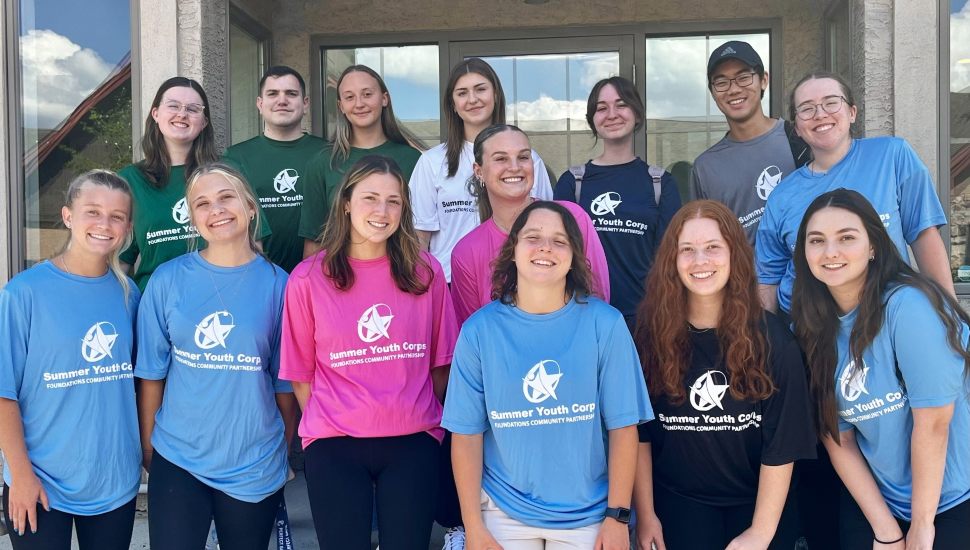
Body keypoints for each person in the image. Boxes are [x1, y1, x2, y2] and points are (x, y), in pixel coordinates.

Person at [443, 200, 652, 550]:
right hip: (502, 512)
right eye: (533, 237)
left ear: (574, 256)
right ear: (512, 251)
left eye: (559, 240)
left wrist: (617, 517)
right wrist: (473, 526)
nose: (545, 247)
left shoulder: (606, 324)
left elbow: (623, 428)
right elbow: (466, 436)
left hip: (588, 515)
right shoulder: (479, 331)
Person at [280, 155, 459, 549]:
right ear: (346, 202)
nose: (382, 211)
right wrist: (340, 415)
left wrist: (407, 407)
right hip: (334, 443)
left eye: (393, 201)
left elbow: (440, 366)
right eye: (370, 198)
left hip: (413, 440)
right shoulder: (308, 278)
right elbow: (301, 375)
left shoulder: (425, 273)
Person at [791, 189, 970, 550]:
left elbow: (934, 422)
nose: (831, 252)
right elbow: (837, 436)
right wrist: (886, 531)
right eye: (817, 241)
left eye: (846, 238)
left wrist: (921, 527)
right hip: (881, 498)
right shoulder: (811, 326)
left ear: (873, 246)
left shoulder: (908, 307)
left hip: (952, 499)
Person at [632, 200, 816, 550]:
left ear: (735, 254)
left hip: (759, 503)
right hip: (679, 502)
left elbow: (783, 445)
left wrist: (760, 533)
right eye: (687, 250)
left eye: (713, 247)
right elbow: (640, 433)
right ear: (671, 260)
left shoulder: (773, 339)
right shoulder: (648, 338)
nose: (700, 261)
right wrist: (647, 514)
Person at [136, 163, 293, 550]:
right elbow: (152, 374)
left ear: (251, 207)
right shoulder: (167, 279)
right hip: (178, 456)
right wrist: (148, 445)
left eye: (226, 197)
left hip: (253, 461)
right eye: (202, 203)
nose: (216, 209)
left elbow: (285, 384)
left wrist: (281, 448)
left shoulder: (281, 284)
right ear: (192, 218)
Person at [0, 170, 140, 550]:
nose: (104, 224)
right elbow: (3, 394)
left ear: (128, 226)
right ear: (67, 216)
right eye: (92, 212)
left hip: (113, 480)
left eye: (116, 216)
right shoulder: (23, 293)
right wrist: (21, 475)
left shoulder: (129, 295)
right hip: (42, 481)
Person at [756, 71, 954, 317]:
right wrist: (768, 341)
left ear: (852, 112)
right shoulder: (782, 195)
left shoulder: (891, 156)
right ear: (796, 127)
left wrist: (949, 315)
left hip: (886, 321)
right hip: (808, 332)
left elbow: (924, 235)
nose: (820, 114)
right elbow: (768, 278)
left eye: (831, 102)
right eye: (806, 108)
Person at [410, 57, 554, 283]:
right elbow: (420, 239)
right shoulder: (431, 162)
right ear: (453, 104)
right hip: (450, 283)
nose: (473, 99)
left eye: (480, 89)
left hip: (518, 283)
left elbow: (547, 226)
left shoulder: (529, 160)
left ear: (495, 95)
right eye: (462, 93)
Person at [554, 76, 681, 331]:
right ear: (593, 119)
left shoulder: (660, 183)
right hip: (585, 321)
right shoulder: (573, 182)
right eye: (602, 108)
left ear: (636, 113)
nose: (612, 114)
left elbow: (670, 261)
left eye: (621, 104)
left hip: (645, 323)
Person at [120, 77, 268, 291]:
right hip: (156, 309)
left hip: (225, 298)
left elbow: (255, 244)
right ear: (155, 114)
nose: (182, 114)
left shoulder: (229, 171)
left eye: (193, 108)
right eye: (173, 106)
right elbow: (120, 263)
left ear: (204, 122)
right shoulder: (130, 180)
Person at [451, 124, 609, 324]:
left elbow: (599, 298)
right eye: (501, 158)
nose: (515, 167)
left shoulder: (573, 218)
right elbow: (473, 332)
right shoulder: (467, 252)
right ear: (479, 171)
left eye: (524, 157)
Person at [689, 40, 811, 245]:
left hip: (803, 274)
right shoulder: (705, 168)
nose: (733, 89)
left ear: (763, 80)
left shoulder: (800, 140)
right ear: (712, 92)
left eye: (744, 78)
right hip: (743, 277)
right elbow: (704, 240)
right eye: (721, 82)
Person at [299, 65, 424, 258]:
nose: (359, 103)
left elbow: (419, 233)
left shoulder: (412, 159)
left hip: (398, 274)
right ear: (341, 106)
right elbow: (314, 239)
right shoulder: (323, 162)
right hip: (339, 277)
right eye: (349, 97)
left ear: (384, 98)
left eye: (367, 94)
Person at [224, 65, 325, 273]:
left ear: (305, 103)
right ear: (259, 104)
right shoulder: (235, 157)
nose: (282, 100)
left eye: (291, 93)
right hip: (256, 277)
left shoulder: (328, 153)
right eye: (272, 94)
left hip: (319, 276)